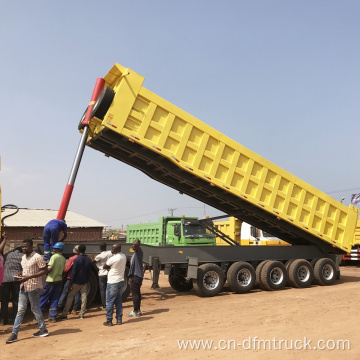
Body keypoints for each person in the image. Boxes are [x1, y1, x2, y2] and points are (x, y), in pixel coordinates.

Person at [5, 238, 48, 344]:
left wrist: (29, 277)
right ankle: (14, 334)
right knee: (20, 310)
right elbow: (25, 269)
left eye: (26, 246)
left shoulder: (38, 257)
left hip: (34, 287)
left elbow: (44, 270)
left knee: (35, 309)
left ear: (31, 247)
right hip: (23, 286)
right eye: (23, 246)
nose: (24, 248)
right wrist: (20, 273)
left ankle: (43, 329)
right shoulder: (23, 257)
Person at [58, 244, 92, 320]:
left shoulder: (76, 260)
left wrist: (70, 283)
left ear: (78, 251)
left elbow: (74, 272)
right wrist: (87, 280)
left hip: (76, 281)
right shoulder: (88, 260)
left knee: (70, 296)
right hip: (84, 281)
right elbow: (88, 272)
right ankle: (82, 313)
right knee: (84, 297)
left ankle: (64, 313)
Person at [40, 242, 66, 322]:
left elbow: (50, 268)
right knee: (55, 299)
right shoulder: (63, 258)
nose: (53, 249)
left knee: (44, 298)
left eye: (55, 248)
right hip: (58, 280)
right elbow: (64, 270)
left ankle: (38, 316)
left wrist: (44, 271)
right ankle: (52, 317)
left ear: (59, 249)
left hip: (50, 280)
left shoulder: (54, 257)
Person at [103, 244, 126, 326]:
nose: (111, 249)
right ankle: (119, 319)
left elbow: (105, 266)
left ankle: (109, 320)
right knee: (119, 301)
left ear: (117, 250)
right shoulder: (123, 256)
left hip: (113, 282)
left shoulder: (114, 258)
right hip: (120, 281)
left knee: (110, 301)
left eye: (113, 248)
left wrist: (110, 267)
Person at [1, 246, 23, 325]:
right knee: (15, 300)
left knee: (4, 300)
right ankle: (14, 320)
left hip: (5, 279)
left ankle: (3, 320)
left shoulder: (6, 255)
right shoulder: (22, 256)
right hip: (16, 280)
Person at [57, 245, 81, 312]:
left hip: (70, 278)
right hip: (78, 279)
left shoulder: (72, 259)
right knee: (77, 294)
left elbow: (66, 269)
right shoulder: (81, 258)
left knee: (64, 292)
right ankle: (75, 309)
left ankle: (58, 307)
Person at [128, 239, 144, 318]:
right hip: (136, 276)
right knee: (137, 293)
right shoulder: (135, 253)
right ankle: (138, 310)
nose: (132, 246)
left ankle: (136, 311)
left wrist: (136, 244)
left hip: (136, 276)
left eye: (134, 245)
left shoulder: (138, 252)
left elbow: (137, 246)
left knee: (135, 294)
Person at [94, 242, 112, 310]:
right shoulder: (110, 253)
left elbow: (94, 261)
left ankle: (104, 305)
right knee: (109, 289)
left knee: (103, 290)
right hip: (109, 273)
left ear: (100, 248)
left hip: (101, 273)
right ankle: (109, 304)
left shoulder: (99, 256)